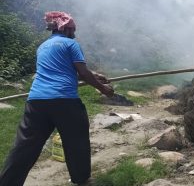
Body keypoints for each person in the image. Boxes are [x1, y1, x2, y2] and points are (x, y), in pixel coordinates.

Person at [0, 11, 114, 186]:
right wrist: (104, 89)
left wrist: (96, 76)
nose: (74, 33)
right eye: (73, 29)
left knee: (25, 146)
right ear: (67, 29)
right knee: (76, 141)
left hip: (36, 101)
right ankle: (82, 180)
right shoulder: (71, 44)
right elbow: (82, 73)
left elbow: (64, 72)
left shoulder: (42, 47)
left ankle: (7, 182)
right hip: (65, 101)